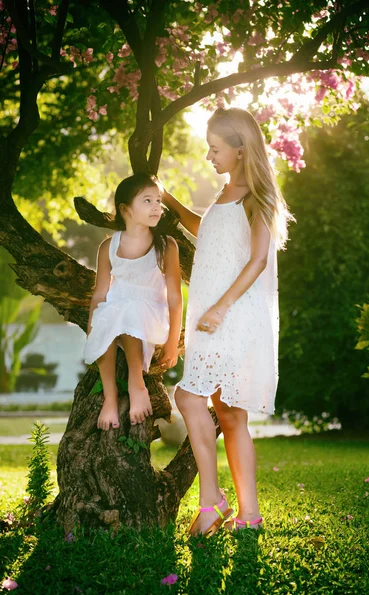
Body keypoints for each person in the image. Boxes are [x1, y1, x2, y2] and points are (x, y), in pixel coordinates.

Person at [162, 107, 294, 535]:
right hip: (212, 315)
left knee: (187, 398)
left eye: (215, 149)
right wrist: (170, 202)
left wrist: (220, 307)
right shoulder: (224, 194)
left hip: (233, 315)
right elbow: (209, 231)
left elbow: (257, 259)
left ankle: (211, 501)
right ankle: (249, 515)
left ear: (240, 149)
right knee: (231, 414)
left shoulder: (258, 197)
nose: (209, 157)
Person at [83, 173, 182, 431]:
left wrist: (172, 341)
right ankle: (110, 397)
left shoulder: (166, 245)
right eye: (147, 200)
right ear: (125, 209)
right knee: (108, 315)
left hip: (149, 315)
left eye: (158, 201)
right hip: (118, 312)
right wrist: (92, 328)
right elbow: (100, 293)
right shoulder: (108, 246)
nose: (157, 206)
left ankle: (137, 384)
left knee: (130, 309)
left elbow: (174, 296)